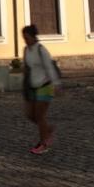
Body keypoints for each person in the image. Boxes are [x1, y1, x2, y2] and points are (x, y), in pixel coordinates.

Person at [21, 24, 61, 155]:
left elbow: (49, 67)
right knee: (30, 115)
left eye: (27, 37)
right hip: (32, 86)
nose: (26, 40)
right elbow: (27, 67)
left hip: (45, 86)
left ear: (34, 37)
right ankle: (47, 130)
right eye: (24, 38)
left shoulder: (41, 50)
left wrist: (56, 84)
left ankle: (43, 143)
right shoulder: (26, 50)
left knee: (39, 116)